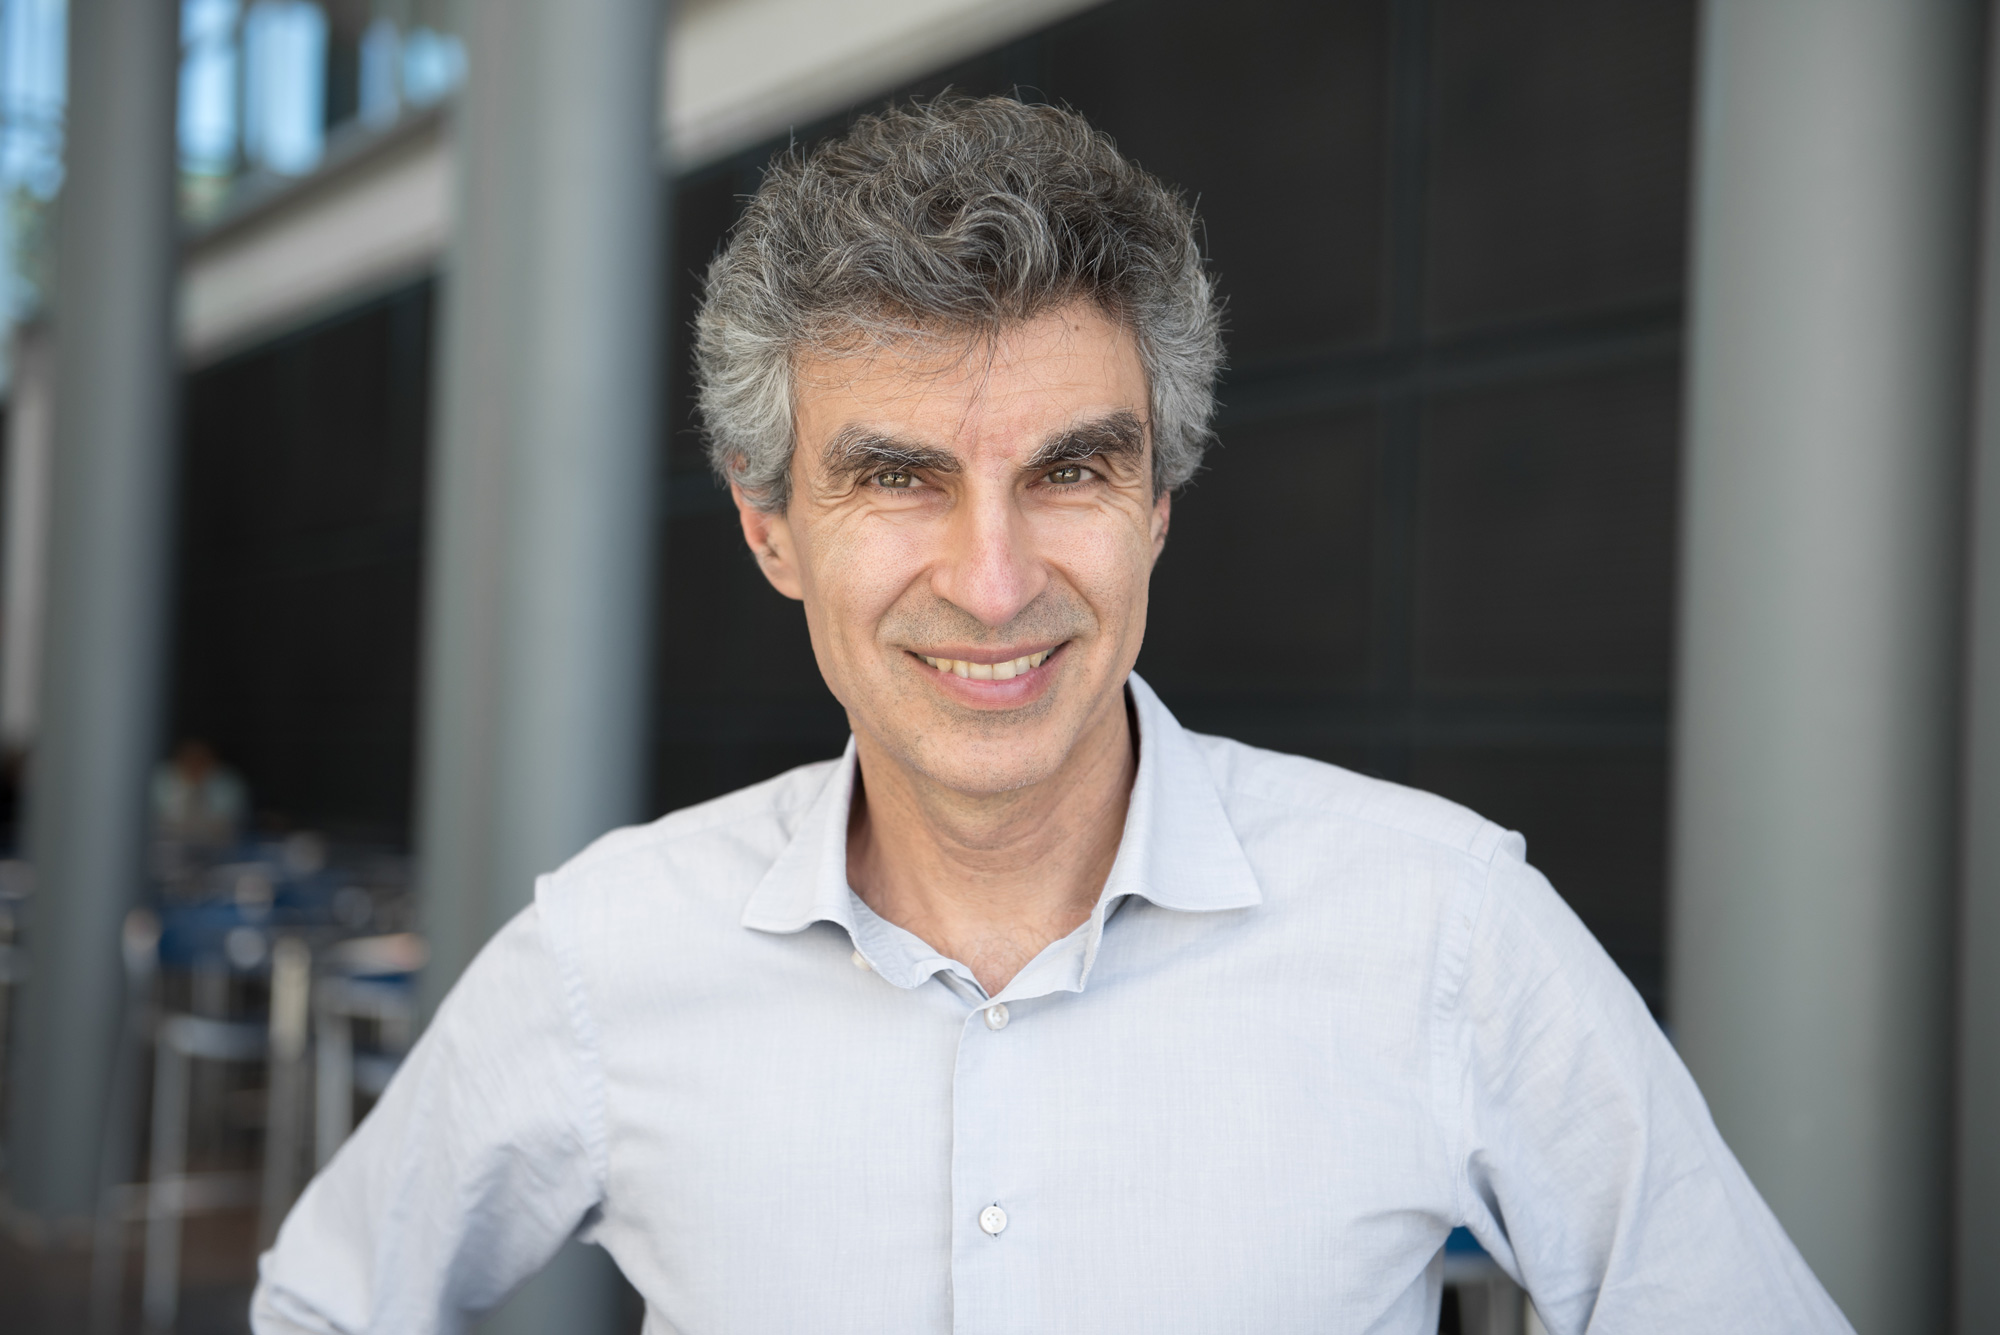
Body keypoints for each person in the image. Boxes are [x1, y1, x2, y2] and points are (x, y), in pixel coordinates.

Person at [252, 97, 1848, 1333]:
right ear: (770, 528)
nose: (996, 580)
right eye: (897, 478)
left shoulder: (1449, 932)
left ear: (1160, 500)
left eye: (1071, 469)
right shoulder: (608, 956)